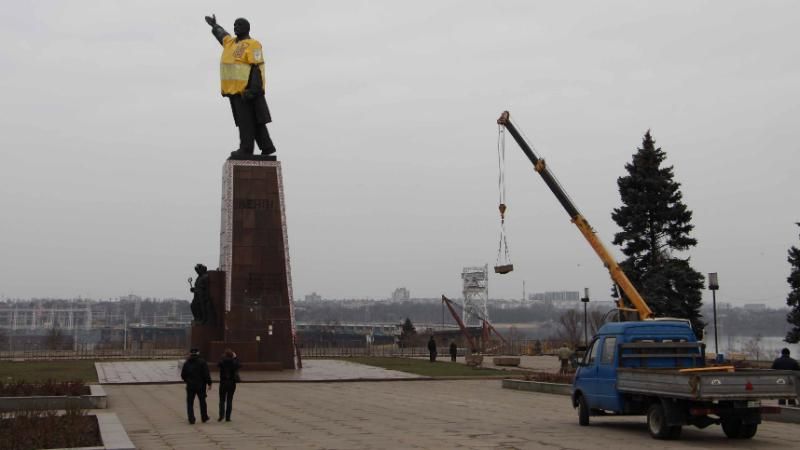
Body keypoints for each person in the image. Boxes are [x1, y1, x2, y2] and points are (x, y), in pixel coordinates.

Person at [205, 14, 277, 158]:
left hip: (247, 90)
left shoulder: (253, 44)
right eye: (234, 25)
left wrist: (254, 89)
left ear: (247, 28)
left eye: (239, 25)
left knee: (246, 122)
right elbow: (222, 35)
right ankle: (267, 147)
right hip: (233, 91)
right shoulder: (230, 43)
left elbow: (256, 66)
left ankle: (246, 149)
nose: (235, 27)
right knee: (254, 120)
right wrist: (214, 26)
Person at [181, 348, 212, 424]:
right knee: (202, 402)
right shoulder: (202, 362)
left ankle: (191, 419)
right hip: (201, 386)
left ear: (190, 353)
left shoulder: (187, 362)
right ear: (198, 353)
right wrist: (209, 383)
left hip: (190, 386)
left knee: (190, 402)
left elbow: (183, 375)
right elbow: (206, 374)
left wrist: (187, 381)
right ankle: (204, 417)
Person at [217, 348, 241, 422]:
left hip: (223, 383)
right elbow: (239, 365)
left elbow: (218, 364)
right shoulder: (234, 362)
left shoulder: (222, 362)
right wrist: (235, 357)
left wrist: (223, 357)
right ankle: (228, 417)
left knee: (222, 400)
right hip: (231, 383)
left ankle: (221, 415)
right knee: (229, 400)